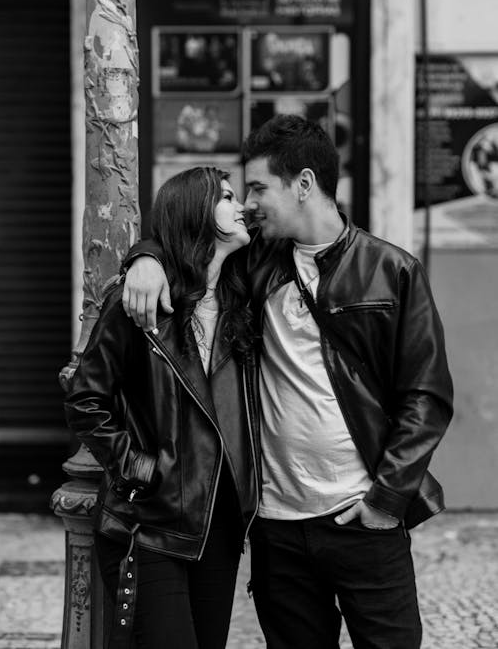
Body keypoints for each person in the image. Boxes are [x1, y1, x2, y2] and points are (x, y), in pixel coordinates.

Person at [122, 115, 454, 649]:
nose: (247, 203)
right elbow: (189, 244)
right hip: (277, 528)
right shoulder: (252, 263)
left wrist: (386, 501)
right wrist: (146, 257)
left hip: (363, 517)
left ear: (303, 183)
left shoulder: (392, 271)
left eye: (257, 187)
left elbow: (427, 397)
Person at [64, 167, 260, 649]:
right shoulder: (142, 303)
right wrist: (137, 467)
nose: (243, 207)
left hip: (220, 522)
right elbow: (86, 397)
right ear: (196, 211)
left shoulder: (243, 298)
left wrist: (143, 254)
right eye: (229, 197)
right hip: (149, 523)